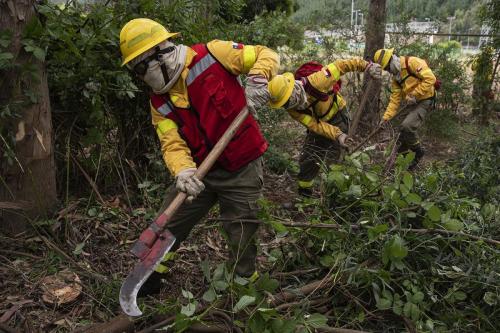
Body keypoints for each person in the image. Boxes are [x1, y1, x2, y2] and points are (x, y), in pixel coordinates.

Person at [119, 18, 279, 294]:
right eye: (137, 70)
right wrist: (183, 172)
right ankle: (150, 279)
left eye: (143, 66)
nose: (142, 75)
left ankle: (244, 290)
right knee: (169, 224)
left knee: (242, 232)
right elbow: (172, 144)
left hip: (242, 166)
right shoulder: (159, 102)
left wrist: (257, 79)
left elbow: (266, 54)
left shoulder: (214, 55)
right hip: (201, 173)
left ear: (161, 53)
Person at [267, 60, 382, 197]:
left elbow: (342, 65)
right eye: (284, 103)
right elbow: (315, 125)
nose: (288, 105)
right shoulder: (291, 109)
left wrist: (367, 66)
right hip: (320, 122)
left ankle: (332, 197)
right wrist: (337, 134)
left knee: (334, 160)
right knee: (309, 156)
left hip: (338, 116)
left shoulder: (318, 81)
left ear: (293, 89)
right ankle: (305, 194)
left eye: (288, 100)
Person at [374, 48, 437, 169]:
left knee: (407, 126)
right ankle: (403, 160)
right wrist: (385, 118)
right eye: (385, 69)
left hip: (426, 99)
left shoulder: (412, 62)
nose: (388, 71)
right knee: (402, 132)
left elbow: (431, 78)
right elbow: (394, 101)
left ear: (392, 59)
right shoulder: (396, 79)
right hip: (413, 103)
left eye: (387, 68)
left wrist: (414, 94)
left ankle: (418, 152)